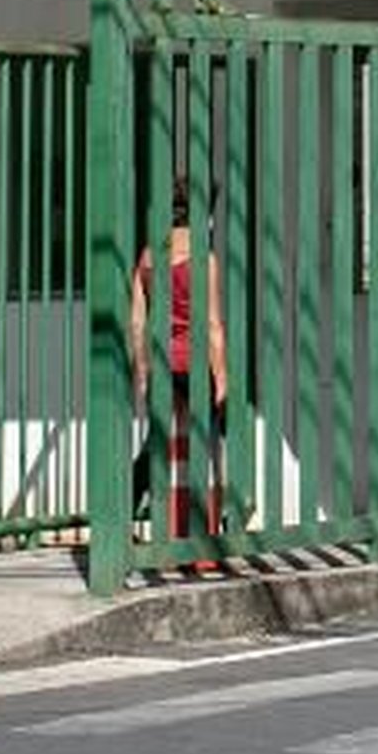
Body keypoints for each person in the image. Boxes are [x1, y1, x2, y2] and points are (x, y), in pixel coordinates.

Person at [124, 196, 232, 572]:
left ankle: (137, 527)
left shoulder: (148, 258)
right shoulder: (206, 259)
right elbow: (213, 325)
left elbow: (137, 322)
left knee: (160, 447)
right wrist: (221, 375)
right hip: (195, 363)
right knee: (209, 449)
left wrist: (141, 369)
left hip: (161, 363)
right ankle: (205, 545)